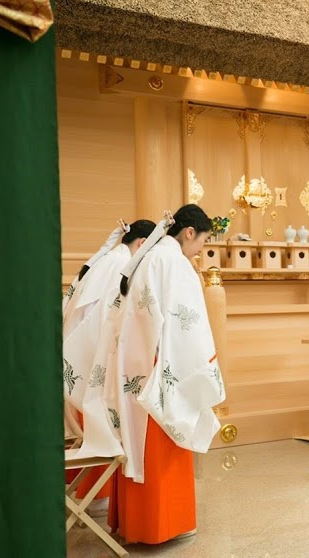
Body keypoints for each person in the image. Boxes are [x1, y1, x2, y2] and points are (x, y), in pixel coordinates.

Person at [99, 204, 226, 544]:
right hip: (160, 367)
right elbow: (188, 324)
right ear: (188, 233)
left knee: (138, 447)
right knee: (162, 443)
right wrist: (203, 368)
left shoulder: (149, 256)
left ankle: (137, 525)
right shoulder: (173, 262)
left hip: (136, 364)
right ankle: (160, 527)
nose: (202, 248)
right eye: (203, 240)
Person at [62, 219, 156, 510]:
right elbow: (101, 316)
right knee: (104, 418)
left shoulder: (111, 259)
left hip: (82, 354)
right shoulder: (118, 265)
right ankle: (98, 496)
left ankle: (96, 496)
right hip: (90, 354)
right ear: (142, 244)